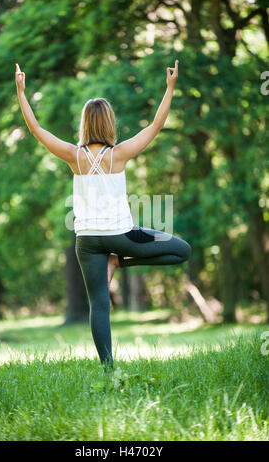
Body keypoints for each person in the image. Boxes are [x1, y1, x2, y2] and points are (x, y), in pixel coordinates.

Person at [15, 60, 191, 371]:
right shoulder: (119, 154)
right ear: (109, 123)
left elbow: (36, 129)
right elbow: (155, 126)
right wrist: (170, 88)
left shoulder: (74, 156)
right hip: (123, 237)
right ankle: (119, 261)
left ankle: (109, 371)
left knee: (100, 305)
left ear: (85, 124)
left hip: (86, 242)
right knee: (182, 251)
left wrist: (21, 92)